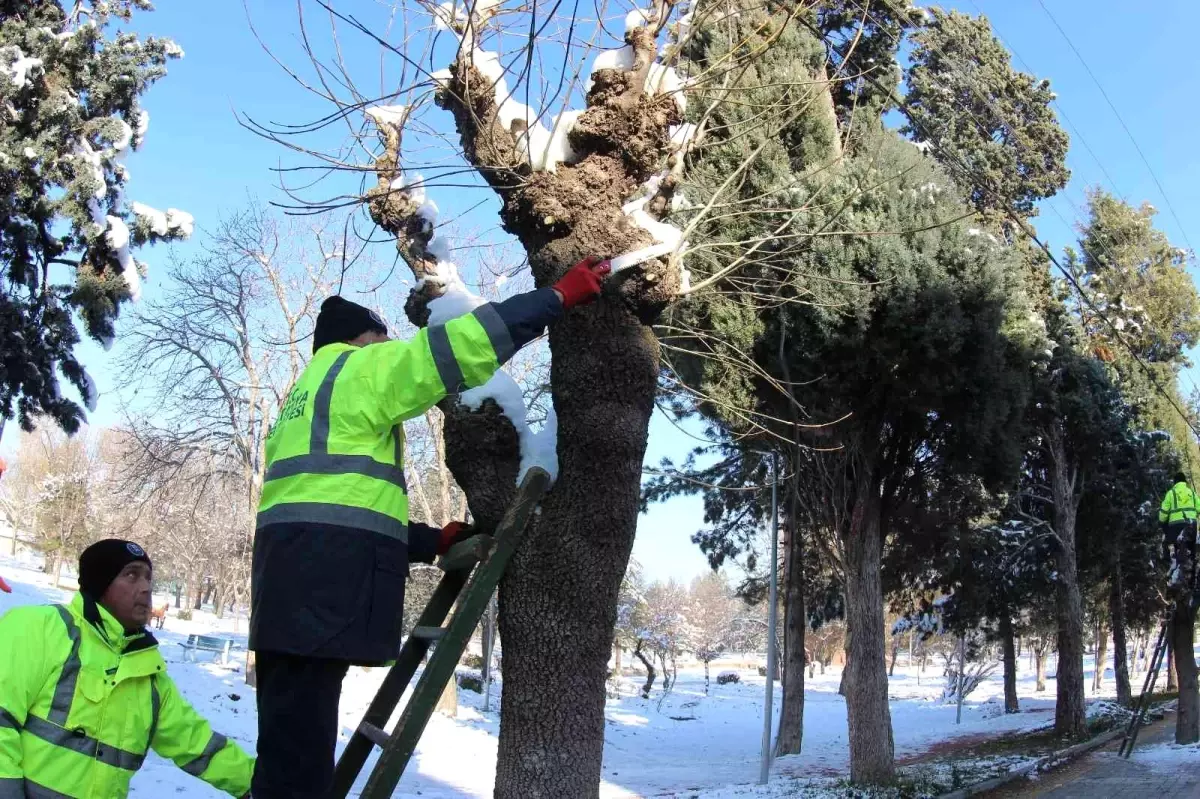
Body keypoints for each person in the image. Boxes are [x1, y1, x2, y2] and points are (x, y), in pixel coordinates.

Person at [249, 256, 611, 798]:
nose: (389, 344)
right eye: (382, 335)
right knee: (300, 763)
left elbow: (332, 503)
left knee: (286, 745)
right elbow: (458, 347)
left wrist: (424, 540)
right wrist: (555, 298)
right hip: (320, 593)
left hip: (287, 587)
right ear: (360, 338)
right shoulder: (360, 369)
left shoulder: (303, 396)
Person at [0, 539, 254, 798]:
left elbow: (196, 743)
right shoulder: (39, 628)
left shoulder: (149, 676)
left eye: (148, 578)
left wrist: (266, 785)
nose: (145, 588)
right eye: (131, 575)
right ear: (101, 584)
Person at [1161, 471, 1199, 571]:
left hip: (1175, 526)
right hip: (1192, 524)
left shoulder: (1171, 493)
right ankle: (1192, 577)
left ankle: (1172, 568)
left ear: (1175, 482)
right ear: (1184, 481)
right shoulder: (1192, 492)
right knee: (1191, 551)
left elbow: (1164, 512)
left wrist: (1162, 522)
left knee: (1172, 546)